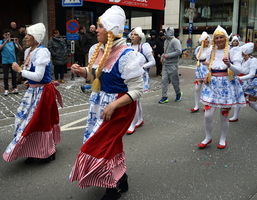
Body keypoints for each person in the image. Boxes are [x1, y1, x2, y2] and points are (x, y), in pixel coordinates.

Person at [69, 6, 145, 200]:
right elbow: (95, 76)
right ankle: (121, 178)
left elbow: (137, 90)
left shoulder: (127, 55)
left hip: (117, 106)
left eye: (101, 26)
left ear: (111, 30)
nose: (96, 30)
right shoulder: (97, 49)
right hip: (99, 102)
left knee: (101, 146)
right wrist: (83, 72)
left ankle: (112, 188)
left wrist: (112, 105)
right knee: (109, 145)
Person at [2, 23, 63, 164]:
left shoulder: (42, 52)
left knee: (40, 122)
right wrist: (29, 80)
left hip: (43, 92)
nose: (26, 37)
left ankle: (47, 152)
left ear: (36, 37)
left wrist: (20, 71)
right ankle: (32, 150)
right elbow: (34, 75)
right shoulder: (28, 51)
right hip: (34, 90)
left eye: (29, 35)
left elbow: (40, 76)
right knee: (25, 120)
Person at [198, 25, 246, 149]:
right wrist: (206, 76)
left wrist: (229, 65)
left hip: (226, 86)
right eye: (216, 38)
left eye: (221, 37)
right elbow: (209, 67)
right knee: (207, 115)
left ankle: (223, 138)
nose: (219, 40)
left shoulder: (233, 51)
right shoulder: (210, 51)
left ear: (225, 38)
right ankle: (208, 137)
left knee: (224, 115)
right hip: (212, 86)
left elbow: (239, 70)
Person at [228, 42, 257, 124]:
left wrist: (240, 77)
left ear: (245, 52)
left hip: (254, 83)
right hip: (244, 82)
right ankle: (235, 116)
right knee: (238, 99)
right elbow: (240, 70)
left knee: (252, 103)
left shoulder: (253, 60)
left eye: (241, 51)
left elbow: (252, 74)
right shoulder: (242, 60)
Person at [126, 27, 155, 134]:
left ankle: (132, 124)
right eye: (132, 34)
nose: (132, 36)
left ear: (140, 37)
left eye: (135, 34)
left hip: (139, 76)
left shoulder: (144, 47)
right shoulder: (127, 46)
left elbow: (152, 62)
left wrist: (143, 66)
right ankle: (140, 119)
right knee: (137, 101)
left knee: (134, 100)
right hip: (128, 76)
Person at [158, 27, 183, 104]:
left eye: (165, 32)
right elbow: (165, 52)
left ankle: (178, 93)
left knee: (175, 81)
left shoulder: (175, 41)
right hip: (165, 64)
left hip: (173, 65)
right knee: (164, 81)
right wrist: (162, 56)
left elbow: (179, 51)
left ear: (169, 32)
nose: (164, 34)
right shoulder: (166, 41)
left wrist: (167, 56)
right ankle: (164, 96)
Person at [0, 29, 23, 96]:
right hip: (5, 61)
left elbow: (20, 49)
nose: (7, 36)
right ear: (3, 35)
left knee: (14, 76)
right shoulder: (1, 41)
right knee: (6, 76)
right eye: (6, 35)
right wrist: (5, 43)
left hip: (13, 61)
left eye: (8, 35)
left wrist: (17, 43)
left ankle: (14, 88)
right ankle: (6, 89)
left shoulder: (13, 42)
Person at [190, 31, 211, 112]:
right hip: (199, 69)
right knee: (197, 88)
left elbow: (213, 60)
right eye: (205, 39)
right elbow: (197, 57)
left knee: (207, 88)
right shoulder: (198, 49)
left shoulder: (211, 49)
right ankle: (196, 106)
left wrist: (208, 63)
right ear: (202, 41)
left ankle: (207, 105)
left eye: (208, 39)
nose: (207, 41)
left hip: (207, 69)